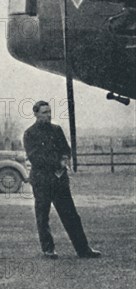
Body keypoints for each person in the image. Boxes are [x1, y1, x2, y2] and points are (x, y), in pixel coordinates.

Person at [23, 101, 101, 259]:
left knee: (71, 215)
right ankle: (48, 250)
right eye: (44, 112)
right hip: (42, 181)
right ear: (36, 114)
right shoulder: (29, 134)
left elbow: (66, 149)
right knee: (42, 216)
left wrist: (65, 159)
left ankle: (83, 249)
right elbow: (35, 158)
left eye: (49, 111)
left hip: (59, 181)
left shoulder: (57, 130)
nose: (48, 115)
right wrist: (57, 164)